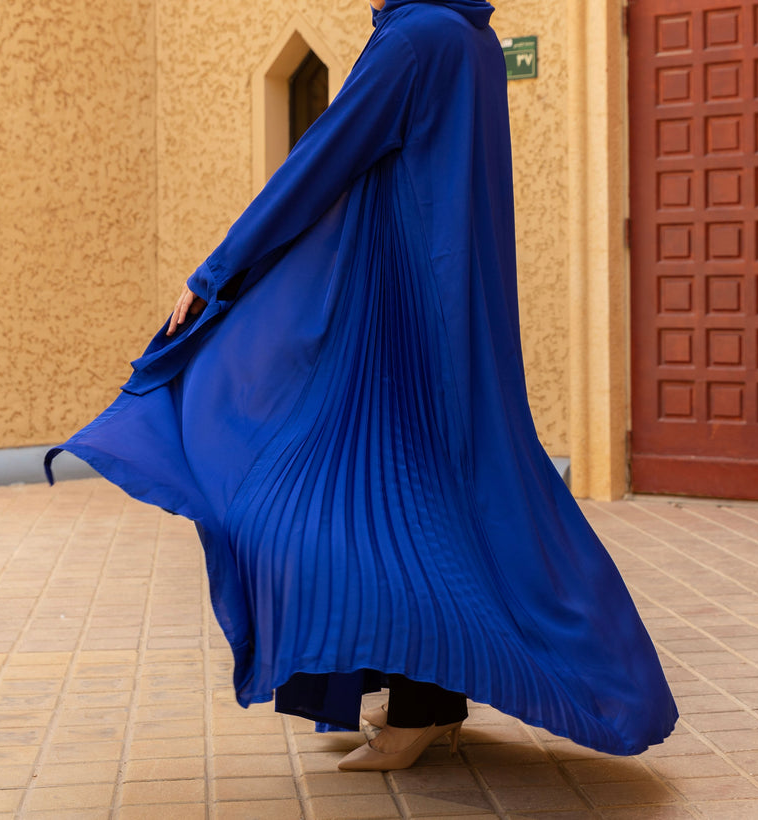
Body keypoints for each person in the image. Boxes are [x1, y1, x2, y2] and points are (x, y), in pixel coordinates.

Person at [47, 0, 677, 771]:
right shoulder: (467, 36)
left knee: (375, 504)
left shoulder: (414, 41)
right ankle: (425, 699)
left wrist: (217, 273)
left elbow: (320, 162)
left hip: (406, 317)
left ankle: (436, 704)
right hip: (443, 304)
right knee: (429, 500)